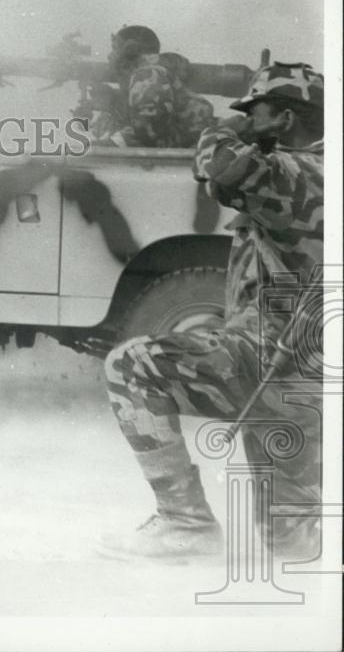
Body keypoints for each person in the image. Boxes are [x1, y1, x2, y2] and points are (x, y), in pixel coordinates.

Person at [98, 62, 324, 560]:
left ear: (285, 119)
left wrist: (232, 127)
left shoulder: (298, 174)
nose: (246, 118)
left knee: (131, 366)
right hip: (305, 376)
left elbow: (219, 165)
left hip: (268, 361)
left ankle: (186, 523)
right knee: (292, 544)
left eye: (255, 111)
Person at [88, 25, 216, 148]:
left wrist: (114, 143)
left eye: (115, 49)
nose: (109, 56)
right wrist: (113, 104)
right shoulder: (149, 78)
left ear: (130, 50)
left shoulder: (148, 74)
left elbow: (149, 132)